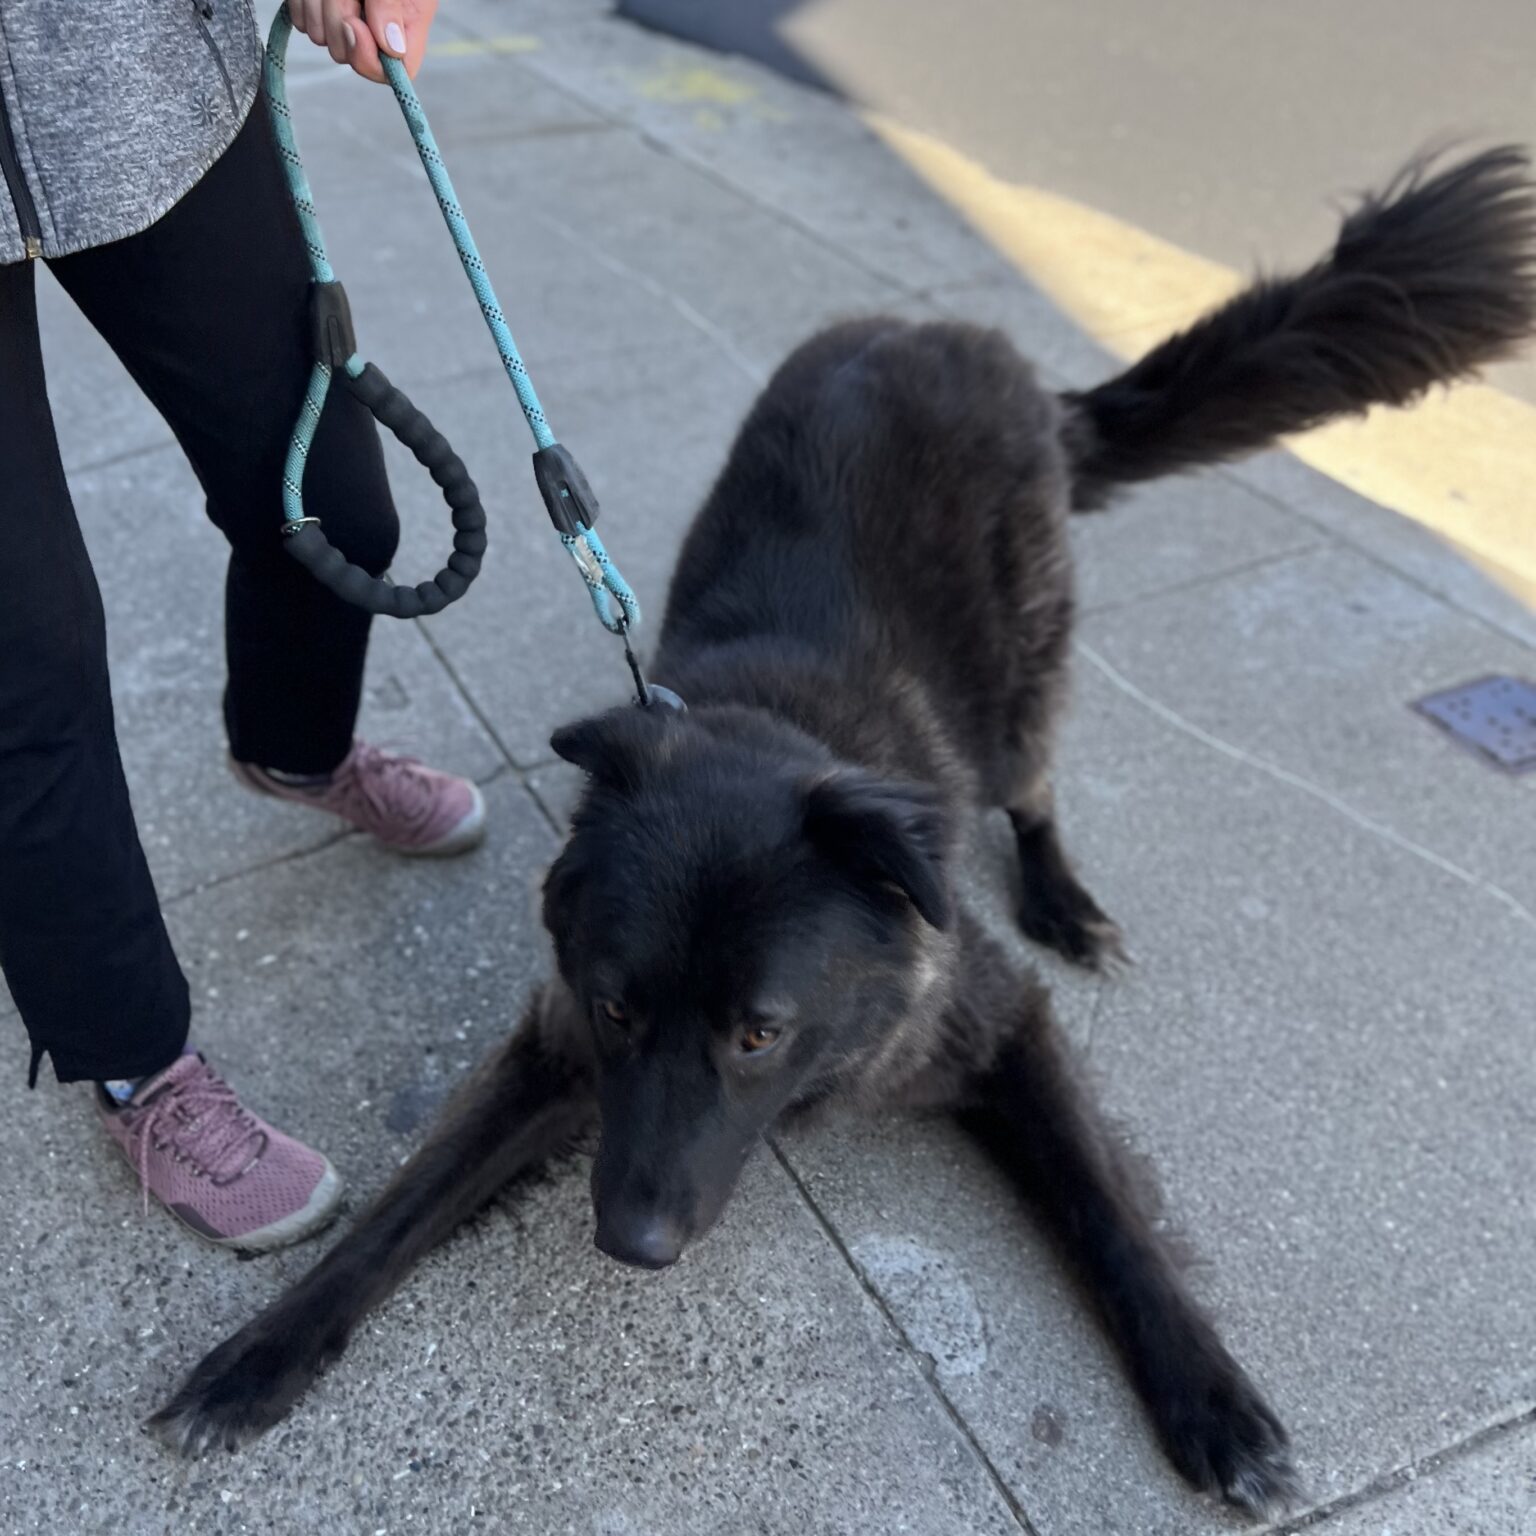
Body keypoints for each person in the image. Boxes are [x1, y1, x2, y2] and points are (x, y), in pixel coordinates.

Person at [0, 1, 461, 1253]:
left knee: (332, 506)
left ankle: (296, 749)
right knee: (23, 662)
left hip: (124, 57)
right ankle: (130, 1062)